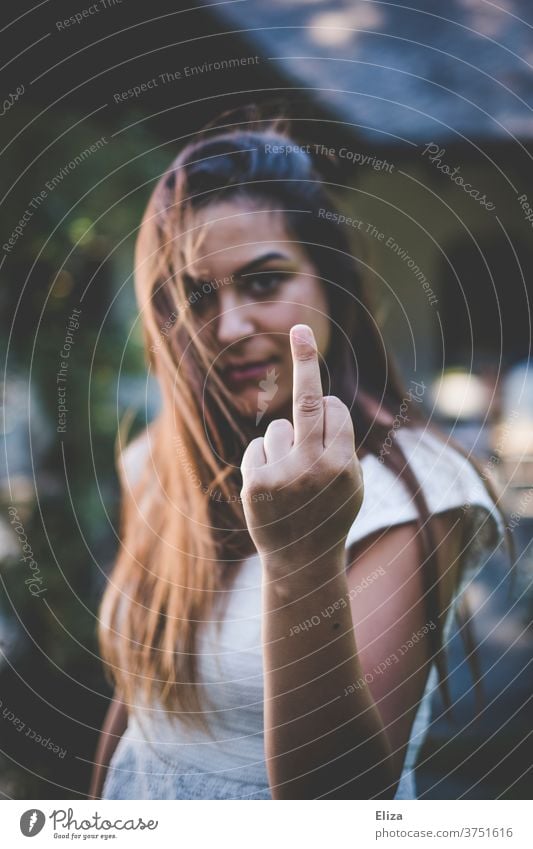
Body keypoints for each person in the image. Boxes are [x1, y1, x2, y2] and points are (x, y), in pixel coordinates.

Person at [94, 106, 505, 800]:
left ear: (330, 281)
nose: (228, 326)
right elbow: (139, 707)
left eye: (263, 281)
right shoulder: (155, 461)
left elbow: (339, 799)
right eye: (196, 295)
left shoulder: (418, 490)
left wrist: (301, 557)